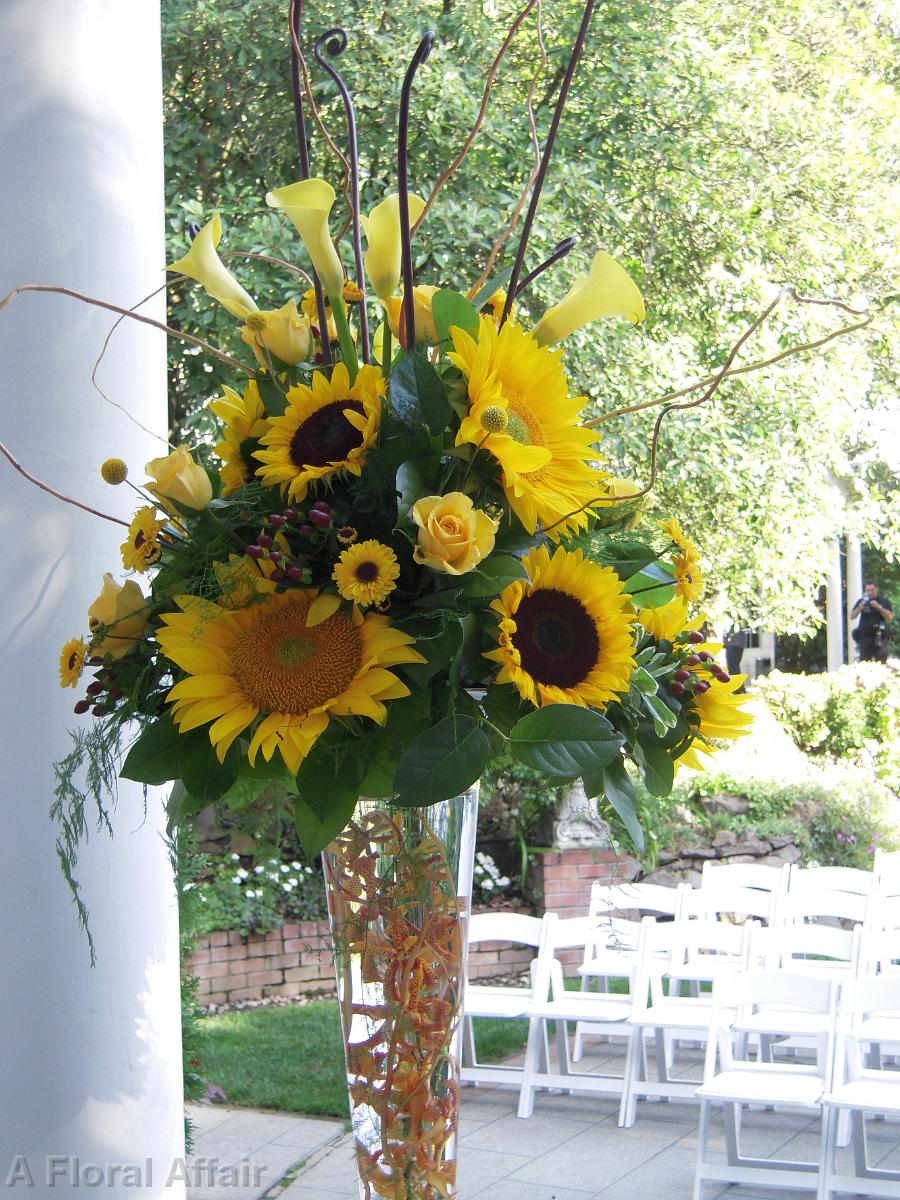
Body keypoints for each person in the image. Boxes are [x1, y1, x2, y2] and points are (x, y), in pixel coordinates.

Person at [851, 581, 894, 662]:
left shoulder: (883, 601)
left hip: (879, 636)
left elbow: (889, 616)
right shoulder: (862, 601)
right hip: (864, 636)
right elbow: (852, 616)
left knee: (880, 660)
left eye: (872, 590)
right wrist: (859, 608)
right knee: (864, 661)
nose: (870, 592)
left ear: (877, 589)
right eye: (867, 590)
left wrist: (878, 607)